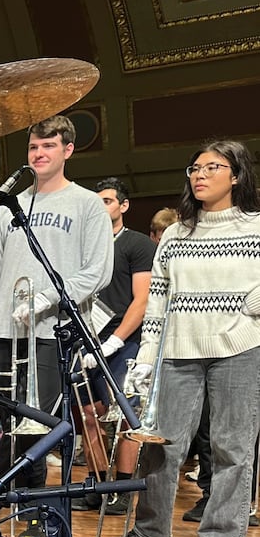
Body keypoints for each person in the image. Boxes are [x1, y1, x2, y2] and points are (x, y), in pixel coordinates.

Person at [108, 139, 260, 537]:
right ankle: (151, 531)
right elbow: (157, 302)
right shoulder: (175, 234)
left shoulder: (256, 226)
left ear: (236, 175)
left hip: (240, 347)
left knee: (232, 445)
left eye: (212, 167)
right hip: (178, 350)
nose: (200, 174)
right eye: (195, 167)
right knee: (161, 446)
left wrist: (253, 303)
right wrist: (145, 359)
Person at [0, 115, 113, 537]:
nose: (39, 154)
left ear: (67, 150)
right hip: (3, 331)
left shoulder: (87, 204)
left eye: (48, 146)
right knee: (6, 428)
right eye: (34, 147)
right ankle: (7, 507)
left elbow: (98, 272)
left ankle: (42, 517)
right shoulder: (6, 208)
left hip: (52, 331)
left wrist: (46, 299)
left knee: (41, 427)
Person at [71, 179, 155, 516]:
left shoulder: (136, 244)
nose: (101, 207)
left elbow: (143, 299)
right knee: (89, 414)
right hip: (87, 339)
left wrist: (117, 340)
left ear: (123, 205)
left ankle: (121, 487)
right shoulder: (84, 247)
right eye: (97, 202)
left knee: (124, 416)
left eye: (107, 201)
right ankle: (96, 483)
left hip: (123, 340)